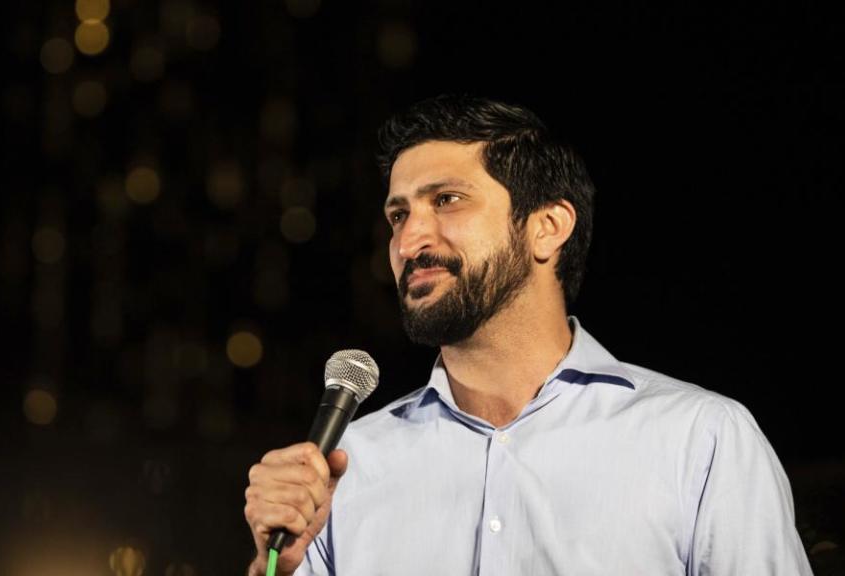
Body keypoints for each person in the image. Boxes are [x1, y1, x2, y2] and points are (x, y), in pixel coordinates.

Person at [244, 95, 813, 575]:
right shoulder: (349, 466)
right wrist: (275, 566)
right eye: (398, 215)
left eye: (446, 200)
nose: (410, 238)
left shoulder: (700, 441)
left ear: (547, 227)